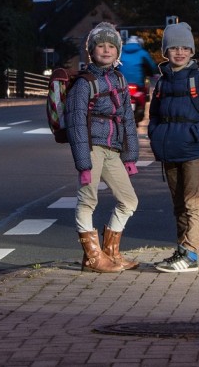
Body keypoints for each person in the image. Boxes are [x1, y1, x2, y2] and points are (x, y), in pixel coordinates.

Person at [147, 22, 199, 273]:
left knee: (192, 203)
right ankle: (182, 250)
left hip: (193, 151)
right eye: (173, 48)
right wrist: (155, 135)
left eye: (184, 47)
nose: (179, 52)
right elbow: (155, 116)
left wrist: (194, 134)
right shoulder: (162, 83)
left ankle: (191, 254)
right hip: (169, 150)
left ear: (192, 51)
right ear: (165, 52)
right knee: (178, 204)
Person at [65, 22, 140, 273]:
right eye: (100, 46)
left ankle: (111, 252)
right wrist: (83, 163)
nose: (106, 50)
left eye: (111, 46)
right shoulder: (84, 83)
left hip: (113, 149)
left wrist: (130, 156)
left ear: (117, 51)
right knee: (88, 200)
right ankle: (92, 257)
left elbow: (128, 119)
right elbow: (76, 124)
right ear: (91, 51)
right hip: (92, 148)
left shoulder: (120, 78)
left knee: (128, 201)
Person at [119, 36, 158, 123]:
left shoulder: (120, 53)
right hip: (138, 83)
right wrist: (153, 72)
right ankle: (141, 108)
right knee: (144, 92)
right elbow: (152, 66)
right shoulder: (143, 53)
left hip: (122, 84)